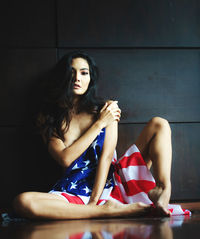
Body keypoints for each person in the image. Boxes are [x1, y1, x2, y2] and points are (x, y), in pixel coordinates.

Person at [13, 51, 186, 220]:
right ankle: (107, 211)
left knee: (159, 123)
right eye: (71, 72)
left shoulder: (106, 109)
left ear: (91, 78)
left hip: (114, 180)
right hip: (75, 188)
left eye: (84, 73)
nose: (77, 78)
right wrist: (99, 124)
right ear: (62, 77)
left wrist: (95, 199)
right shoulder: (49, 118)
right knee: (23, 202)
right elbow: (66, 159)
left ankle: (163, 190)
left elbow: (107, 157)